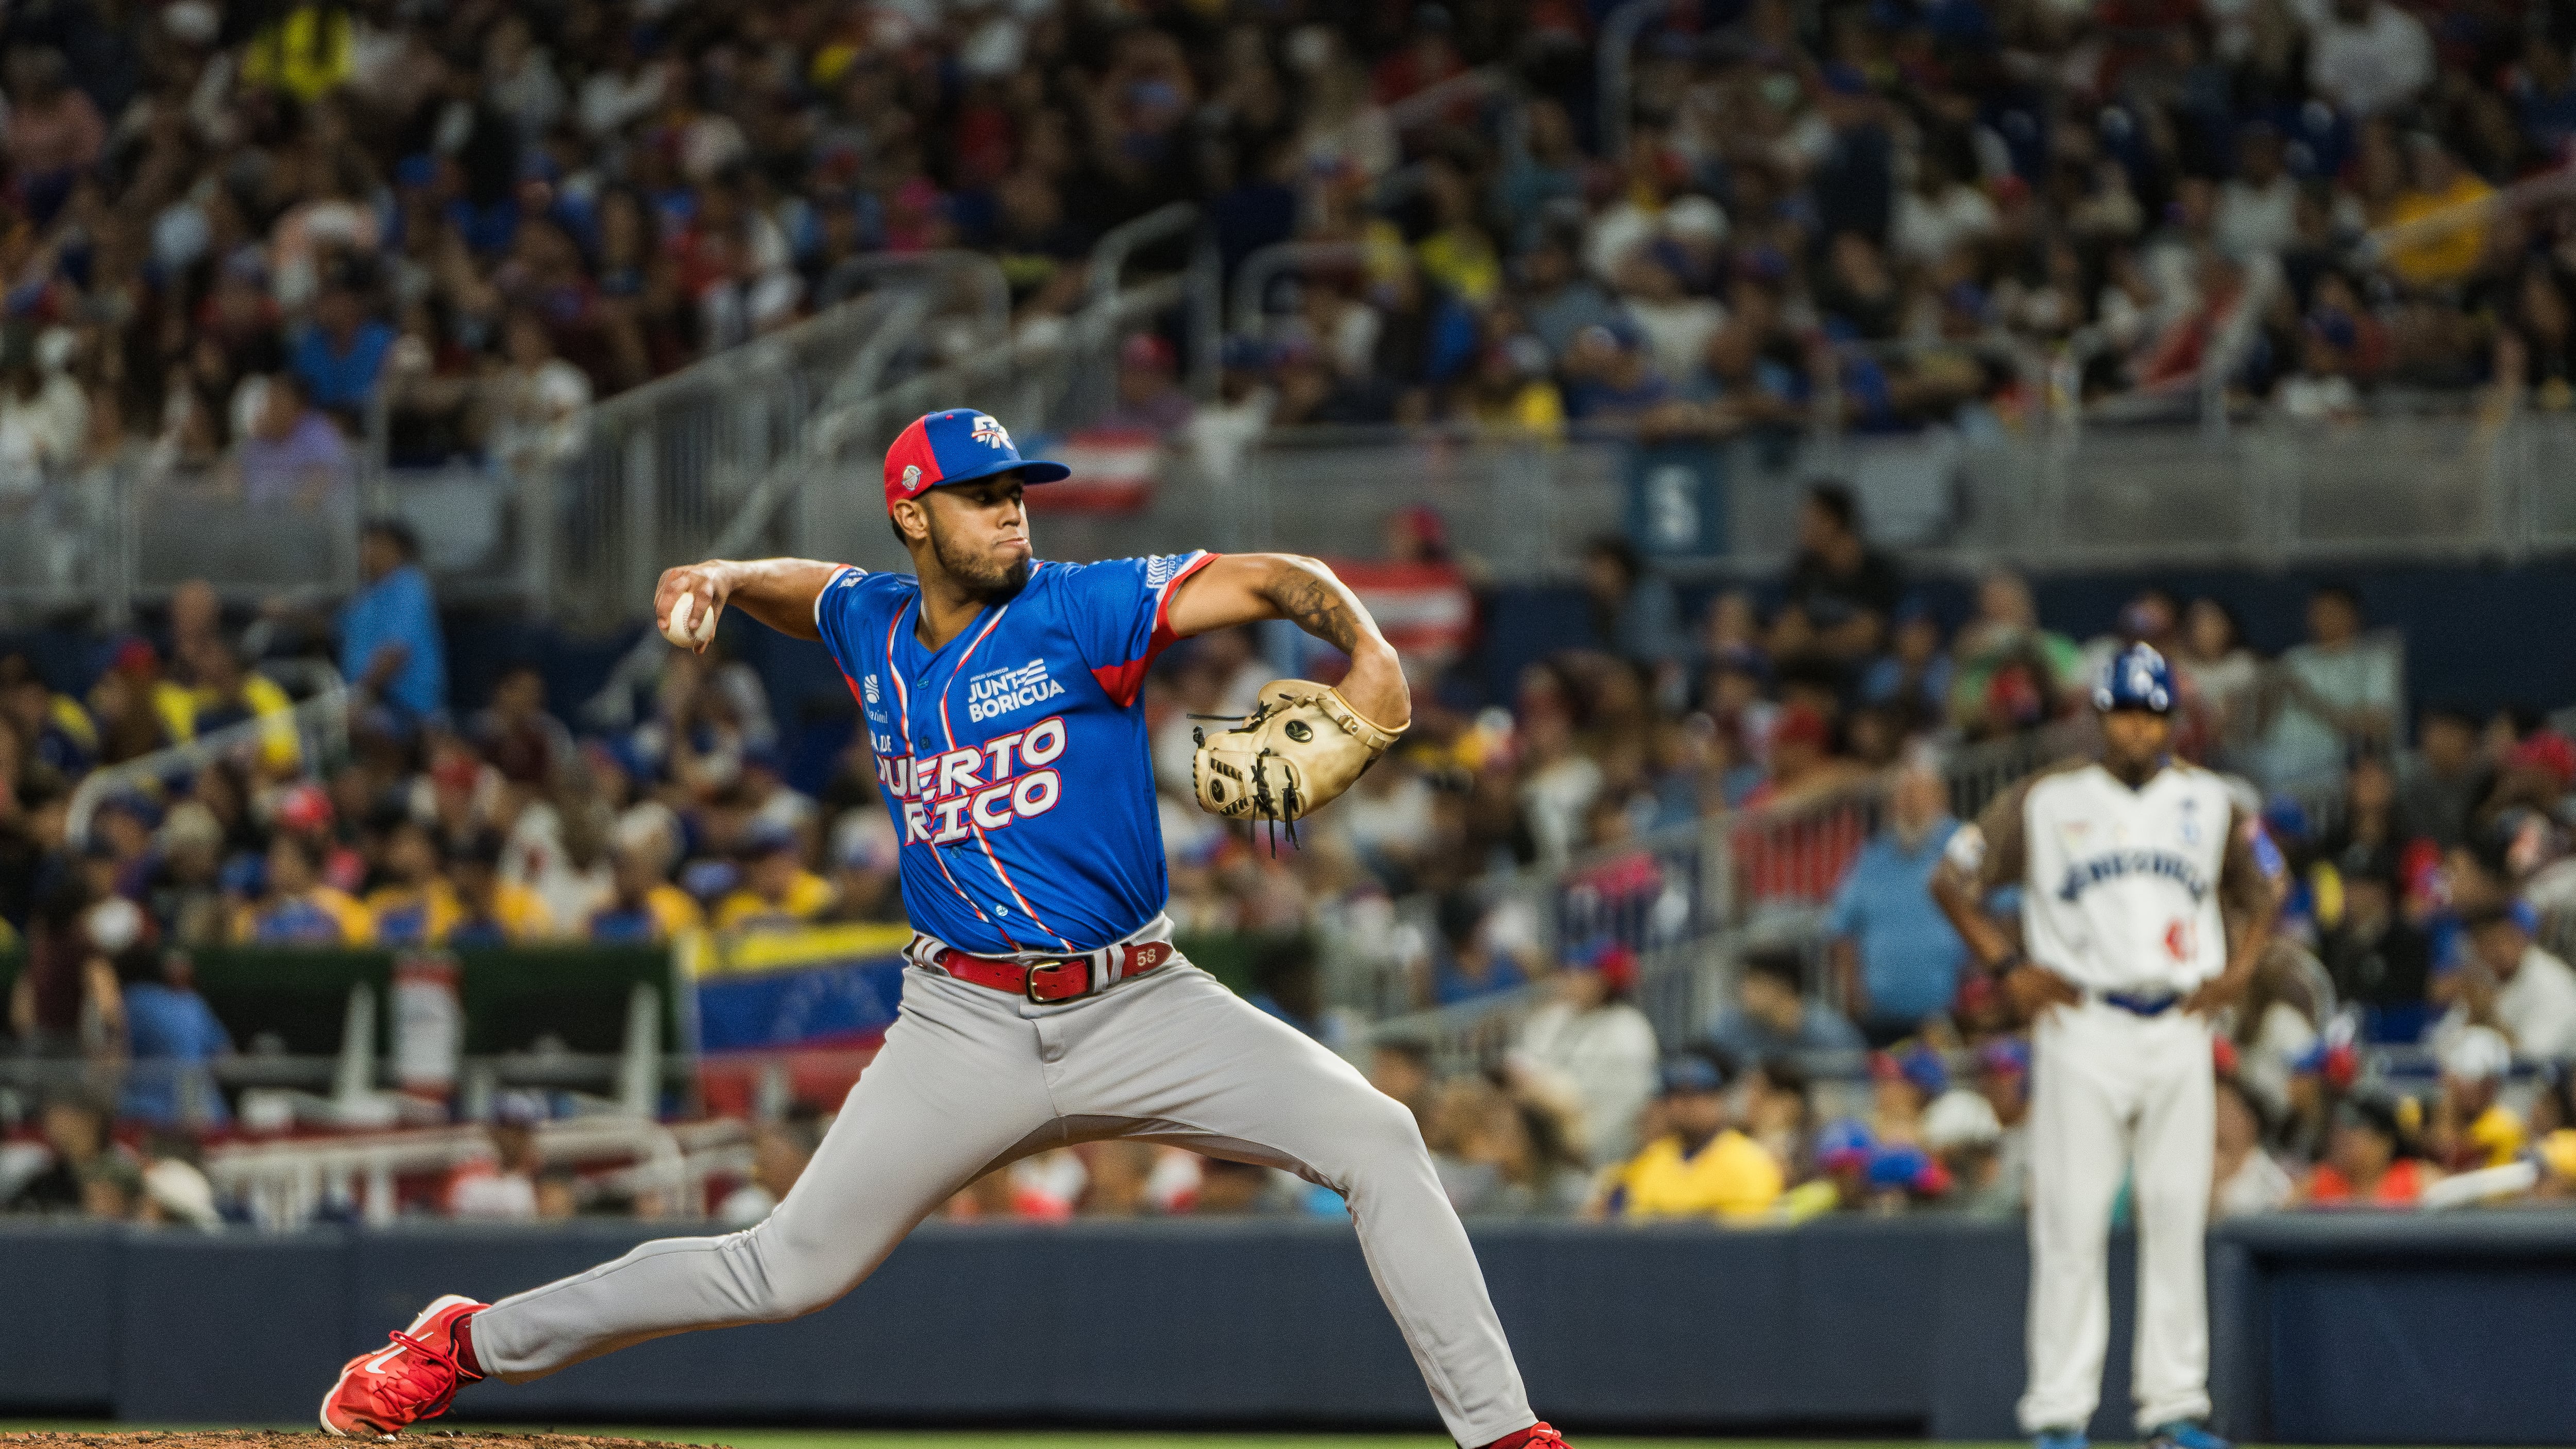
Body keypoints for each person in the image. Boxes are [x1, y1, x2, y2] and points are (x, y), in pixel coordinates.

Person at [320, 408, 1575, 1449]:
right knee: (783, 1267)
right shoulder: (875, 621)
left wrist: (1366, 653)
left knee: (1380, 1134)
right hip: (961, 1019)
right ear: (914, 515)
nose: (1013, 511)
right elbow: (805, 592)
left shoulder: (1081, 609)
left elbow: (1270, 577)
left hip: (1142, 997)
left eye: (1018, 490)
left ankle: (1505, 1433)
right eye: (981, 495)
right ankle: (461, 1338)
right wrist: (717, 573)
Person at [1931, 643, 2282, 1449]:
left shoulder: (2212, 800)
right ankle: (2057, 1415)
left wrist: (2238, 975)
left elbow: (2270, 887)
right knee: (2072, 1217)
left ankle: (2174, 1410)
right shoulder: (2048, 798)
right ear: (2099, 716)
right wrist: (2007, 964)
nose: (2137, 727)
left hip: (2178, 1022)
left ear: (2171, 720)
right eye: (2124, 710)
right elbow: (1953, 880)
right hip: (2081, 1021)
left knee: (2175, 1211)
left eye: (2151, 712)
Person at [1827, 762, 1969, 1044]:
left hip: (1957, 1015)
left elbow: (2004, 910)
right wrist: (1854, 998)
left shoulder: (1969, 842)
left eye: (1916, 792)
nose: (1908, 802)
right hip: (1881, 1020)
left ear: (1941, 797)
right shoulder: (1872, 856)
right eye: (1900, 795)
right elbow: (1841, 928)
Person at [1510, 940, 1658, 1165]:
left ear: (1603, 981)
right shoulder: (1557, 1016)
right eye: (1567, 971)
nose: (1569, 979)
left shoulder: (1628, 1029)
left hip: (1602, 1149)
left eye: (1580, 972)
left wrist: (1542, 1088)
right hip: (1544, 1132)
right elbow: (1520, 1061)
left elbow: (1607, 1104)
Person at [1594, 1051, 1783, 1222]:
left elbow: (1748, 1241)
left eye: (1693, 1096)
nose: (1682, 1107)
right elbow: (1615, 1219)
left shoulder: (1749, 1160)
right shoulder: (1651, 1158)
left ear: (1719, 1101)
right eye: (1674, 1097)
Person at [340, 519, 448, 736]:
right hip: (364, 698)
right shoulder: (365, 595)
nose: (369, 551)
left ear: (400, 550)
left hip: (404, 708)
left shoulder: (409, 587)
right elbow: (334, 629)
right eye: (366, 544)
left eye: (379, 544)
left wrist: (359, 697)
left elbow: (395, 653)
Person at [1781, 482, 1903, 666]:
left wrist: (1811, 643)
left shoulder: (1877, 569)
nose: (1802, 529)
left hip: (1862, 667)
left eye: (1808, 520)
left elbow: (1867, 633)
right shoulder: (1805, 567)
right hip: (1810, 668)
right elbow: (1792, 626)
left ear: (1833, 521)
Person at [1706, 947, 1866, 1065]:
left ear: (1785, 987)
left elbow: (1858, 1093)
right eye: (1744, 981)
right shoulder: (1730, 1026)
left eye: (1755, 981)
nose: (1744, 989)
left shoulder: (1832, 1036)